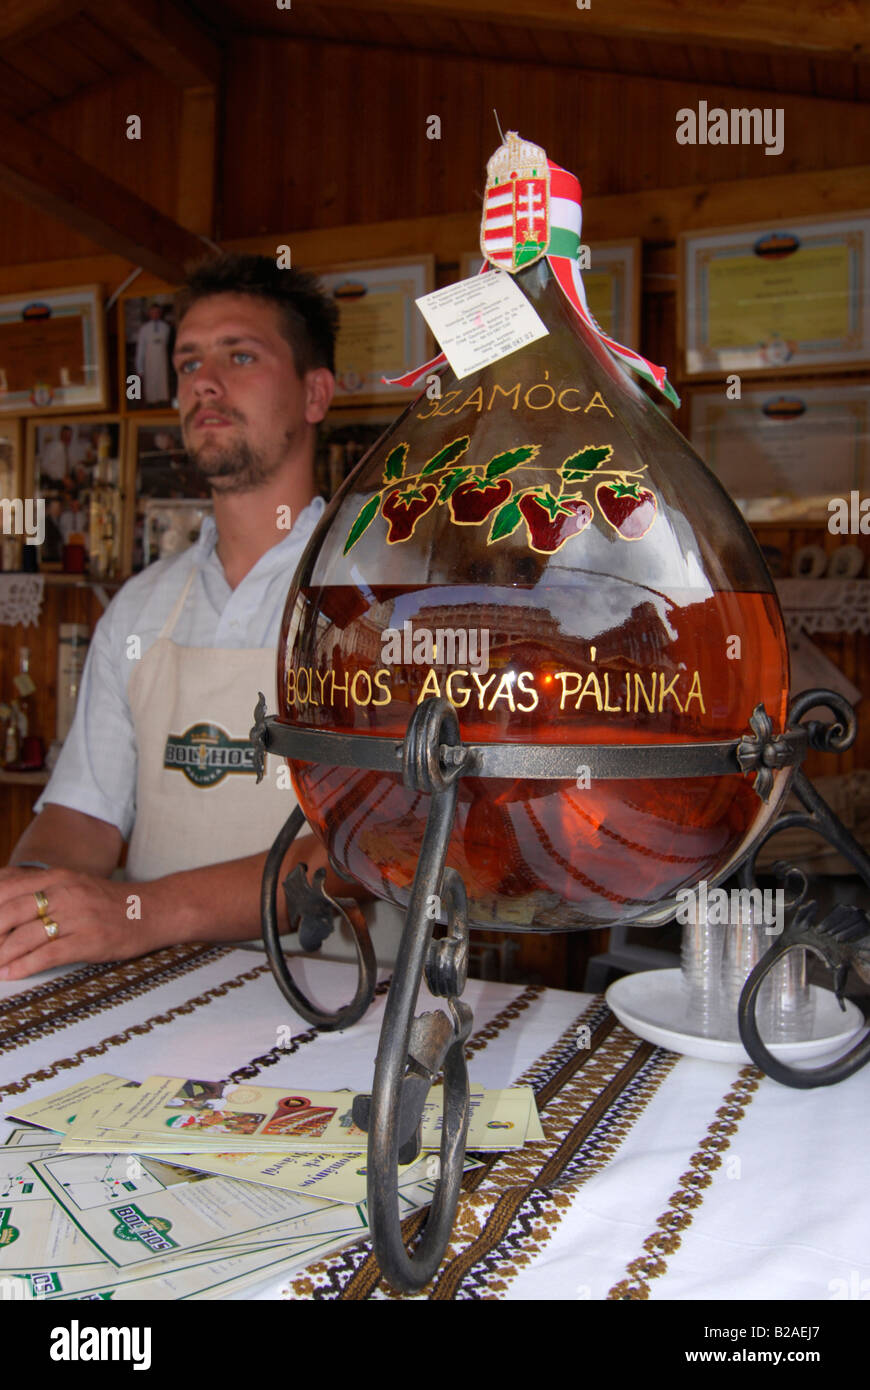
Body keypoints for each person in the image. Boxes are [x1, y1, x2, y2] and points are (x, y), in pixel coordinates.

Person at [0, 254, 361, 980]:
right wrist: (30, 898)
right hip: (148, 995)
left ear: (315, 393)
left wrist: (136, 914)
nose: (204, 381)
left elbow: (360, 857)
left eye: (240, 355)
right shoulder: (139, 606)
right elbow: (85, 814)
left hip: (335, 1005)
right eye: (189, 360)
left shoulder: (370, 599)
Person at [135, 301, 173, 404]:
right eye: (153, 312)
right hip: (149, 360)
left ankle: (163, 401)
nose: (155, 314)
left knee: (162, 382)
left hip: (162, 359)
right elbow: (141, 348)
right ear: (149, 314)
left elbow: (168, 345)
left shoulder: (166, 327)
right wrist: (139, 368)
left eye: (157, 312)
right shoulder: (144, 329)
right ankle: (152, 401)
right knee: (151, 383)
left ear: (160, 313)